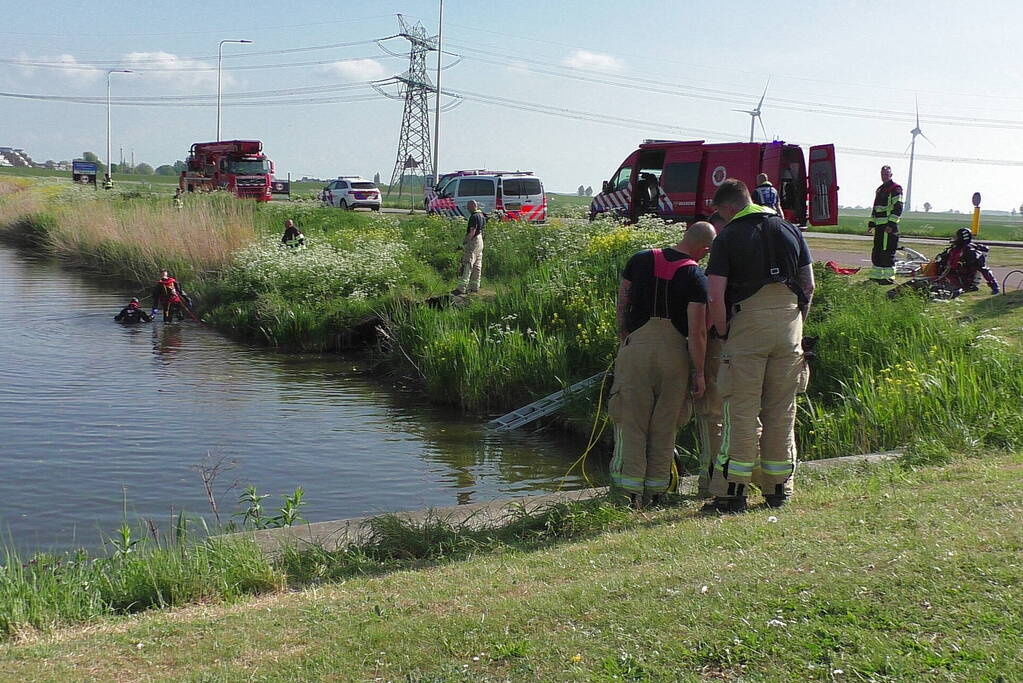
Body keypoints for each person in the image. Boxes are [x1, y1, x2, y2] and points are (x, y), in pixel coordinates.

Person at [704, 179, 814, 514]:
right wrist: (796, 324)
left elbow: (715, 294)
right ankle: (778, 489)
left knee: (741, 411)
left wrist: (723, 331)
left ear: (727, 208)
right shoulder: (791, 230)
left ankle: (732, 493)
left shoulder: (728, 238)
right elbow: (808, 285)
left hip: (747, 327)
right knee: (782, 411)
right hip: (789, 328)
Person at [607, 221, 717, 509]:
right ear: (704, 248)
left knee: (631, 422)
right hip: (675, 357)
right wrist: (700, 372)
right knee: (665, 427)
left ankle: (627, 496)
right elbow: (698, 332)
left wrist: (623, 334)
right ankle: (657, 494)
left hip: (637, 352)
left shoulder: (640, 259)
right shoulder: (696, 276)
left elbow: (623, 298)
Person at [866, 165, 903, 284]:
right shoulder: (880, 189)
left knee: (887, 252)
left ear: (891, 175)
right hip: (879, 226)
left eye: (887, 174)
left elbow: (898, 207)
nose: (884, 176)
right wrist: (871, 223)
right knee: (877, 251)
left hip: (889, 227)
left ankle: (888, 278)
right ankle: (876, 276)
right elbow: (875, 208)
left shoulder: (896, 188)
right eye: (882, 174)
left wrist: (891, 224)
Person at [452, 200, 486, 295]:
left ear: (472, 206)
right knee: (477, 264)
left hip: (474, 240)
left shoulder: (474, 216)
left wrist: (463, 243)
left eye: (468, 207)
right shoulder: (481, 215)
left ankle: (461, 288)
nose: (467, 209)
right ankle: (474, 287)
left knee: (468, 263)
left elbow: (472, 231)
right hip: (480, 241)